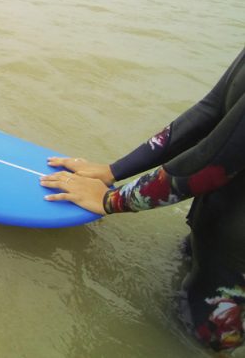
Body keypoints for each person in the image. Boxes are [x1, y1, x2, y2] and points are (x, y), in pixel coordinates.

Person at [40, 47, 245, 352]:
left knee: (197, 342)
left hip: (234, 265)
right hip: (213, 229)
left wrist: (110, 200)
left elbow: (212, 164)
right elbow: (211, 109)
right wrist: (114, 171)